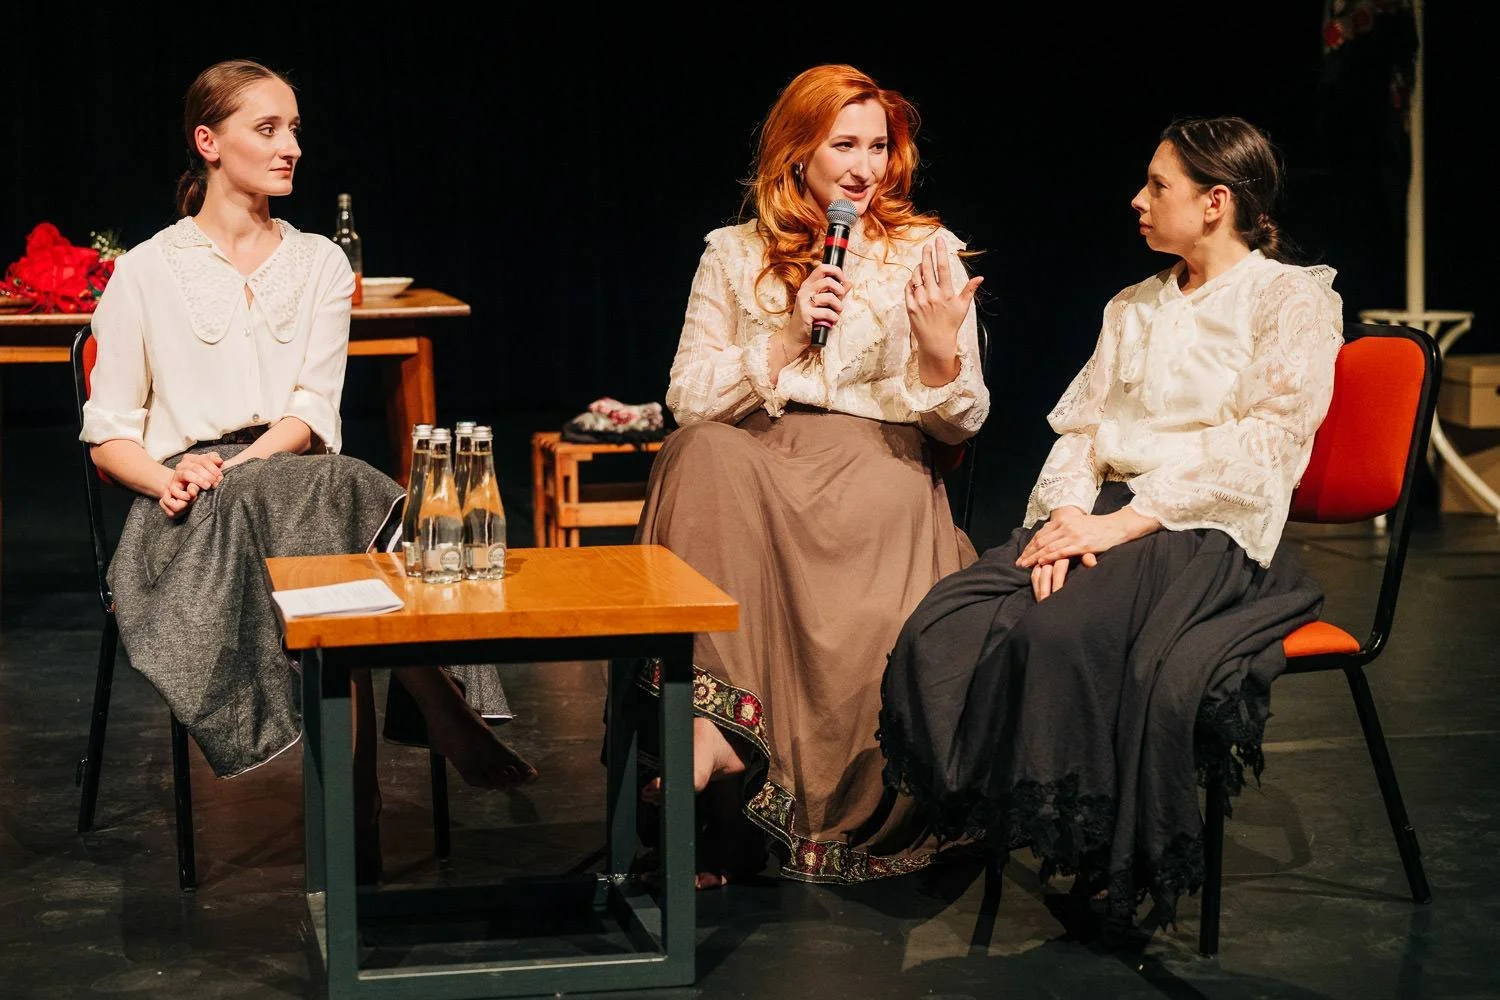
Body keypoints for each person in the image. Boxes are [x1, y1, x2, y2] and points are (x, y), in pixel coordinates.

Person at [878, 116, 1342, 935]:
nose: (1137, 199)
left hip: (1202, 524)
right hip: (1101, 513)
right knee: (947, 622)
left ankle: (1097, 847)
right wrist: (1068, 514)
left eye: (1159, 185)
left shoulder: (1289, 299)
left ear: (1215, 202)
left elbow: (1269, 440)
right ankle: (992, 812)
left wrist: (1125, 525)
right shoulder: (1132, 306)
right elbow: (1082, 431)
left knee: (1056, 634)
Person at [80, 59, 536, 883]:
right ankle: (425, 715)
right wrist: (170, 479)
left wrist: (243, 467)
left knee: (319, 498)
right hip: (186, 516)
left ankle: (355, 809)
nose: (291, 146)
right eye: (268, 129)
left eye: (294, 129)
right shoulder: (144, 270)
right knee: (341, 492)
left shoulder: (320, 262)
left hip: (292, 482)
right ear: (208, 142)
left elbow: (310, 413)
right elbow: (109, 438)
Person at [629, 63, 989, 888]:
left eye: (878, 147)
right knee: (697, 452)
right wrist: (787, 338)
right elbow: (687, 399)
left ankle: (776, 802)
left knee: (833, 505)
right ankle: (711, 732)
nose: (864, 168)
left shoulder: (926, 251)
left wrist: (940, 352)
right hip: (757, 461)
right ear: (797, 152)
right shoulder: (732, 254)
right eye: (844, 146)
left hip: (877, 464)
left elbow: (961, 421)